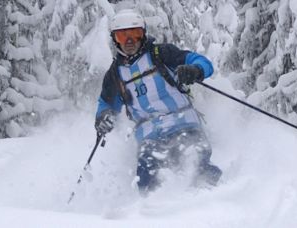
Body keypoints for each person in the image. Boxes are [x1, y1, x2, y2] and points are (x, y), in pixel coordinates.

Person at [95, 9, 222, 195]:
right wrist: (103, 117)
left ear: (143, 34)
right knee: (147, 180)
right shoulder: (115, 74)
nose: (130, 41)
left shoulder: (161, 54)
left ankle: (218, 201)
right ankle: (154, 214)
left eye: (135, 34)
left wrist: (195, 70)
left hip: (183, 124)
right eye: (123, 36)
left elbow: (202, 62)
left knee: (195, 162)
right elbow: (105, 104)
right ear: (115, 39)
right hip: (149, 137)